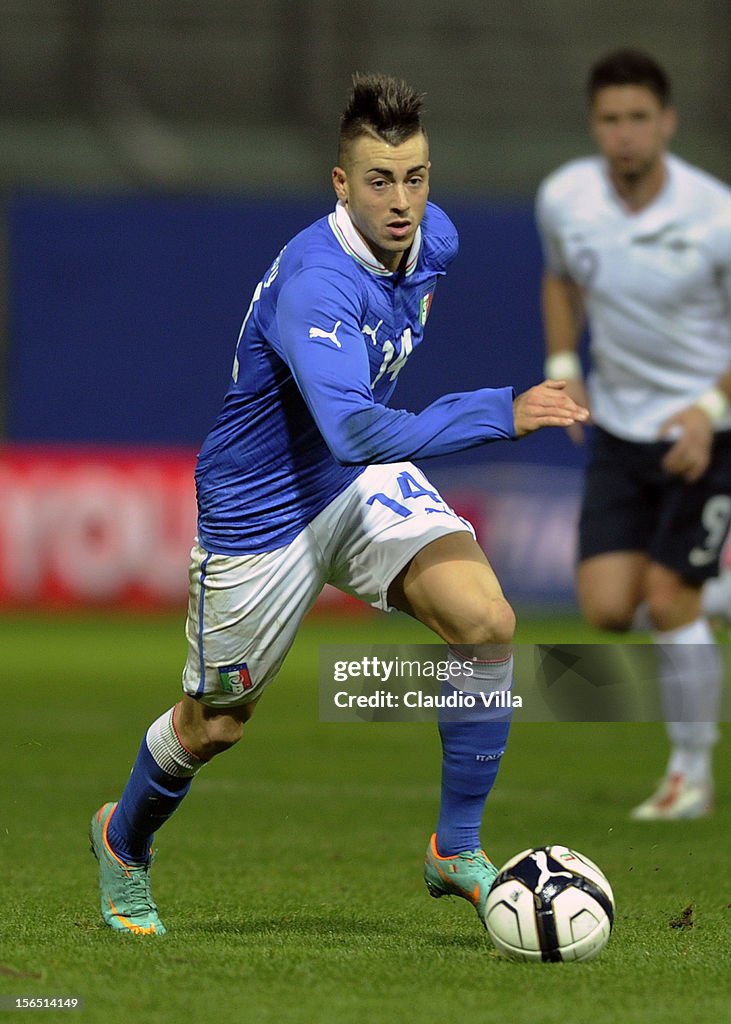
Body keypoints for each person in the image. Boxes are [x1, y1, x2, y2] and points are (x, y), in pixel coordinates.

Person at [90, 72, 587, 935]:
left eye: (416, 177)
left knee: (485, 622)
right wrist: (499, 413)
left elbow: (357, 440)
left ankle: (453, 849)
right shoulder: (317, 283)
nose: (403, 203)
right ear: (340, 184)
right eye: (379, 181)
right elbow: (355, 427)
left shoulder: (435, 241)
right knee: (215, 727)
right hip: (263, 509)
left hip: (352, 483)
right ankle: (123, 841)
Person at [536, 49, 731, 820]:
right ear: (595, 126)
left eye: (638, 118)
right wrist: (562, 363)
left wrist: (708, 412)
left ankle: (690, 773)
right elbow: (559, 277)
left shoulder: (714, 213)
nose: (623, 134)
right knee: (610, 608)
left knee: (665, 597)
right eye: (610, 120)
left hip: (706, 431)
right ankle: (709, 593)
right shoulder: (564, 197)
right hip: (618, 430)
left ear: (666, 123)